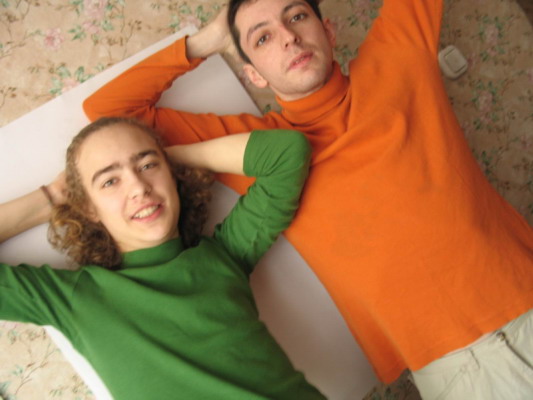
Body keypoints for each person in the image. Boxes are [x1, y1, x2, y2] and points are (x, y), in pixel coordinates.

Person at [82, 0, 533, 398]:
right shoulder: (267, 152)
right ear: (254, 74)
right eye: (262, 38)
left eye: (296, 16)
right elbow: (108, 115)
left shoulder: (398, 59)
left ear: (328, 30)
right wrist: (210, 39)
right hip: (455, 368)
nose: (289, 37)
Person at [0, 117, 326, 400]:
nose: (139, 187)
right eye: (110, 181)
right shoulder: (72, 299)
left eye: (147, 166)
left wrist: (170, 159)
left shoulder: (227, 253)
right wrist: (53, 197)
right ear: (88, 208)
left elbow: (287, 153)